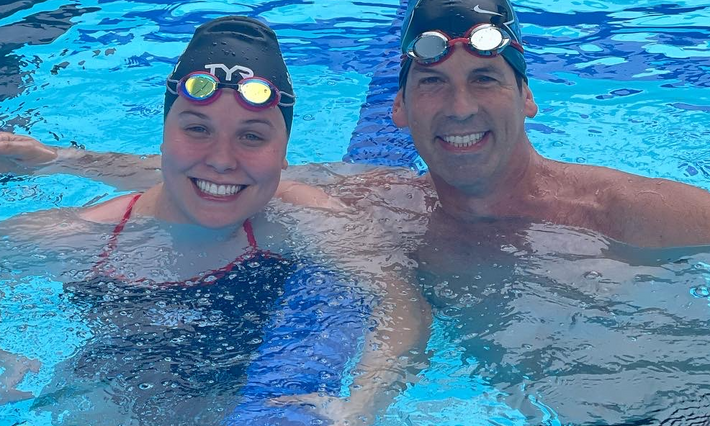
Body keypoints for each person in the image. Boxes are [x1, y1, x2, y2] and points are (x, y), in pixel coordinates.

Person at [0, 16, 428, 426]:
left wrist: (363, 405)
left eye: (252, 136)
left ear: (283, 156)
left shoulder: (293, 217)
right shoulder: (82, 236)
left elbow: (401, 302)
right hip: (101, 404)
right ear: (164, 137)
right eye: (198, 129)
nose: (222, 161)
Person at [4, 1, 710, 249]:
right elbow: (239, 170)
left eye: (485, 79)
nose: (459, 108)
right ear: (398, 110)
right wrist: (52, 159)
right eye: (432, 83)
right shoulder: (385, 202)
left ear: (528, 98)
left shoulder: (622, 210)